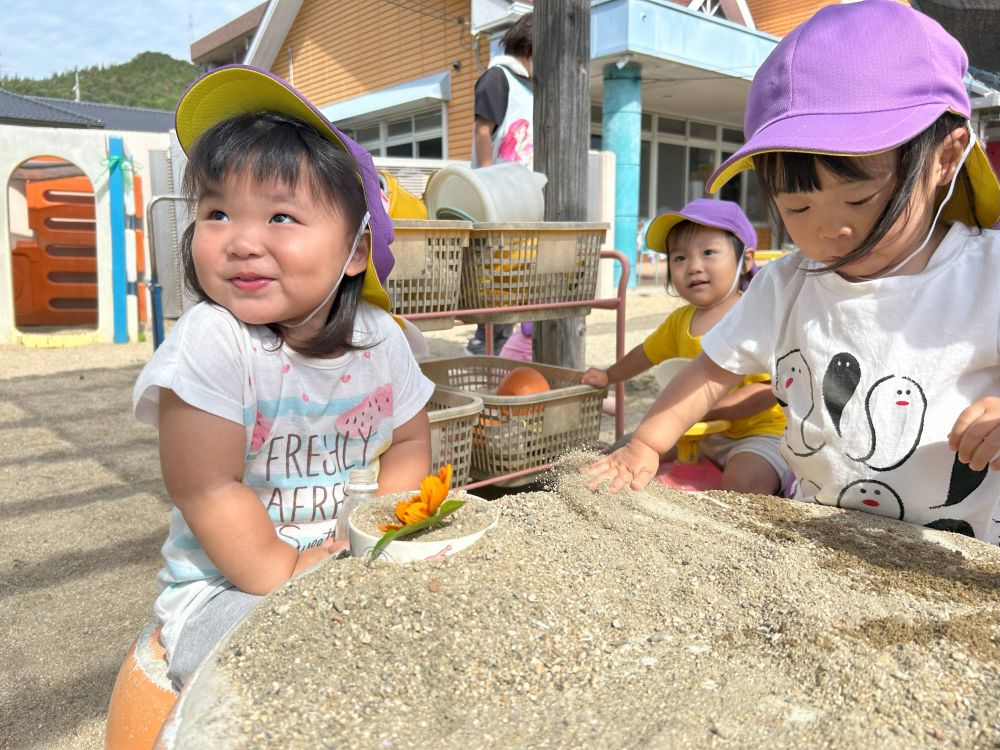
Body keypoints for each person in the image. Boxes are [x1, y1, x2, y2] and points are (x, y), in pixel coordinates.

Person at [584, 1, 1000, 543]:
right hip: (820, 542)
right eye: (798, 209)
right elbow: (710, 373)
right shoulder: (787, 284)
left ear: (944, 160)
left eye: (860, 199)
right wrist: (645, 443)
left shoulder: (986, 274)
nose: (829, 231)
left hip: (958, 555)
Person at [132, 65, 435, 689]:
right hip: (228, 586)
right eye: (217, 212)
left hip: (345, 556)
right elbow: (207, 489)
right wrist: (290, 570)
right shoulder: (213, 342)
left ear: (354, 250)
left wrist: (382, 528)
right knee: (302, 663)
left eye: (280, 218)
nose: (240, 242)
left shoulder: (384, 338)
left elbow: (409, 445)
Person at [581, 199, 790, 495]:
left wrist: (709, 408)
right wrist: (608, 376)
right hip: (693, 431)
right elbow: (645, 354)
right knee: (625, 449)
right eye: (679, 258)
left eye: (708, 252)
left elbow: (768, 390)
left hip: (756, 434)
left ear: (745, 259)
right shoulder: (681, 320)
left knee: (745, 481)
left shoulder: (754, 315)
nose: (693, 267)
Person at [466, 11, 534, 356]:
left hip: (522, 197)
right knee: (494, 274)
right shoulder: (499, 77)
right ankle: (484, 345)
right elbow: (483, 130)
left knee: (515, 273)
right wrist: (489, 181)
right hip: (497, 195)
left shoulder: (532, 87)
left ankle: (503, 344)